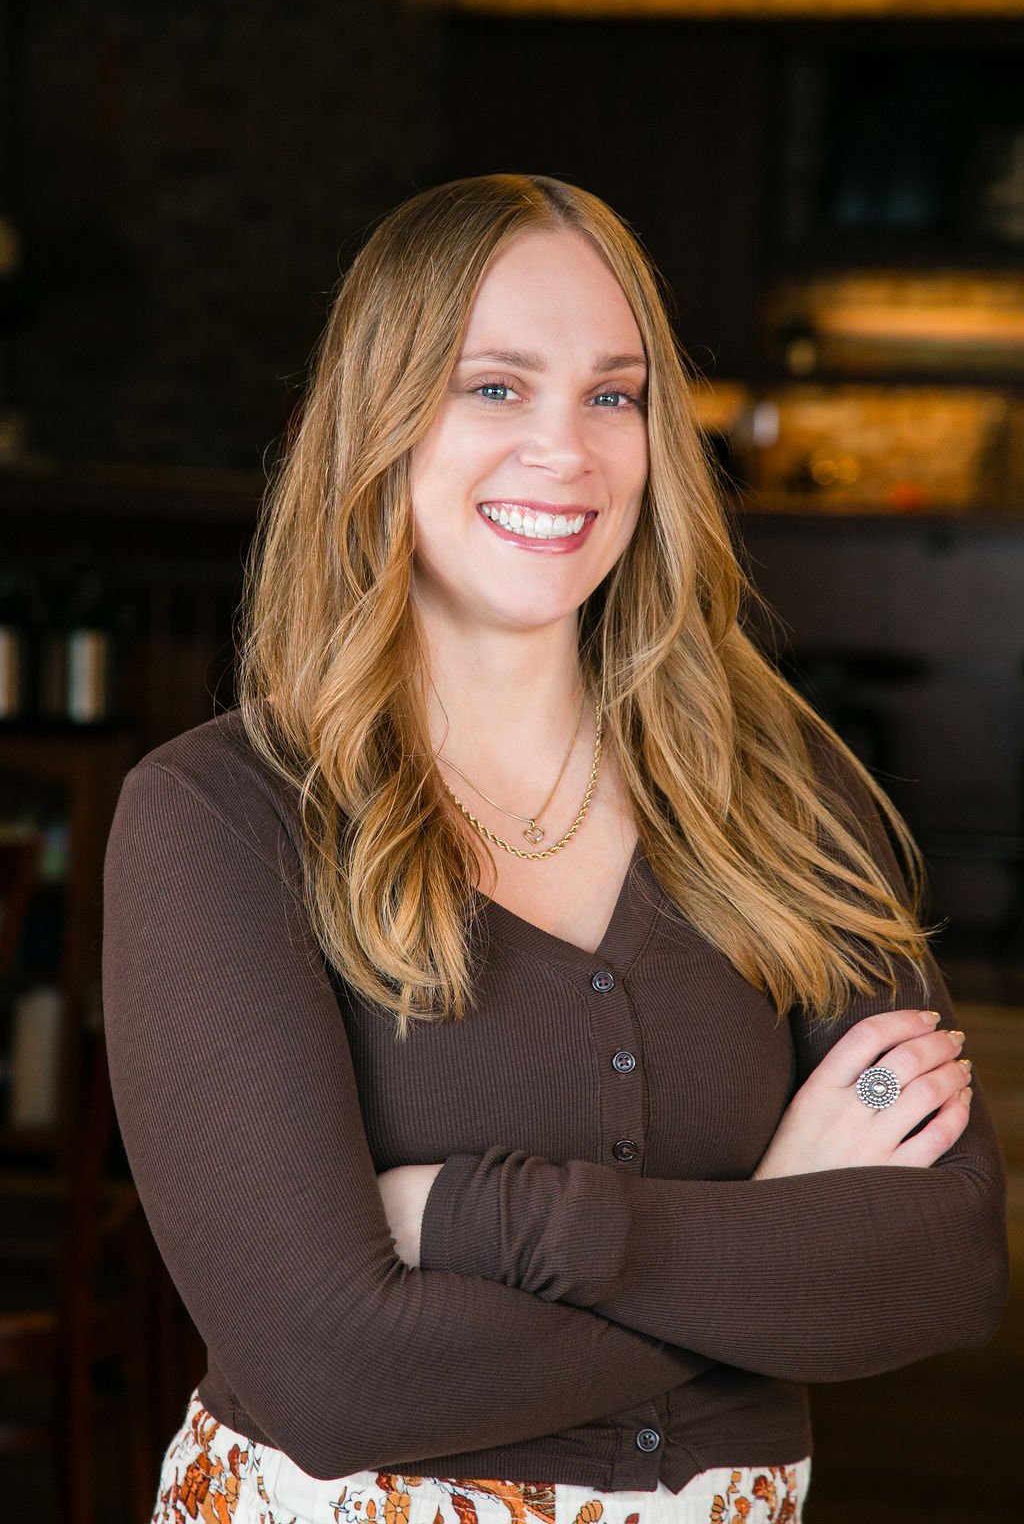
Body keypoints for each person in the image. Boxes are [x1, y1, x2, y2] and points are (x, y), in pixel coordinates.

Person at [103, 175, 1007, 1524]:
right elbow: (331, 1383)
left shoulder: (779, 786)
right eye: (494, 387)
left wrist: (484, 1223)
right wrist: (776, 1235)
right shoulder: (225, 817)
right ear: (377, 422)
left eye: (614, 394)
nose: (567, 451)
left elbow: (944, 1261)